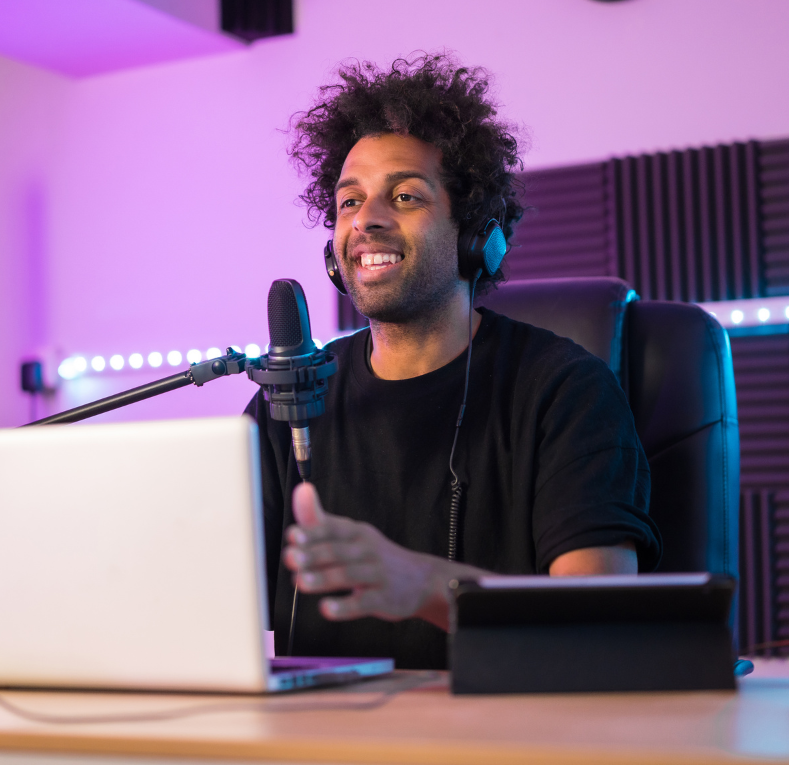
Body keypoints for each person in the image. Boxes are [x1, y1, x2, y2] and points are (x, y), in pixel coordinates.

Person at [245, 53, 660, 669]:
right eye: (349, 201)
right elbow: (196, 600)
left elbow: (596, 623)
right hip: (320, 742)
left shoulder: (564, 391)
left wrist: (422, 586)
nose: (367, 221)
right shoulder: (291, 398)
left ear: (474, 232)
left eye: (405, 195)